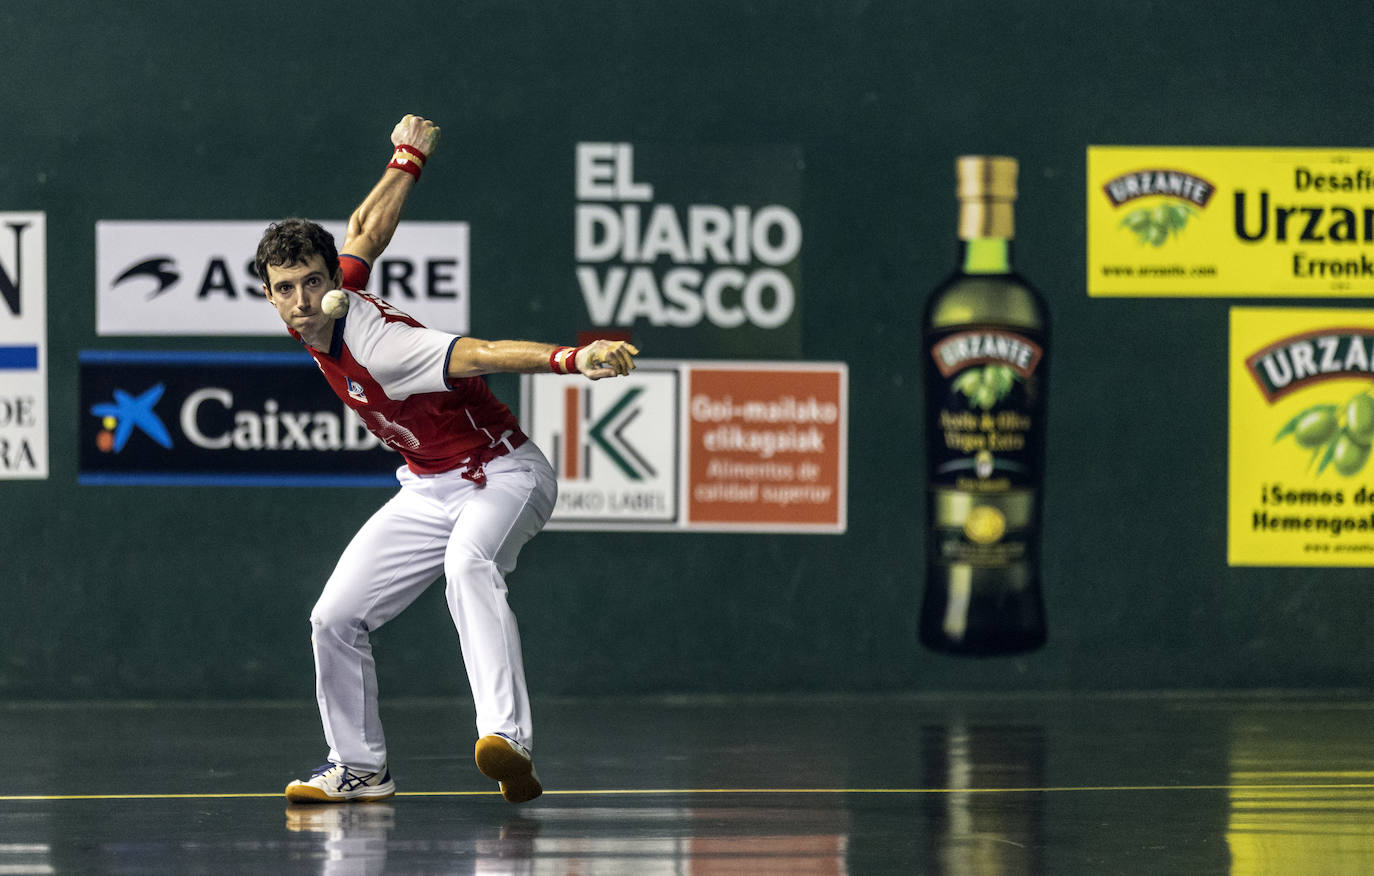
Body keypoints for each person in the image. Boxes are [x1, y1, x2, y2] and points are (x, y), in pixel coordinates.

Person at [255, 114, 638, 805]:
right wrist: (407, 157)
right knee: (333, 618)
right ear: (269, 293)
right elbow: (366, 230)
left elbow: (483, 354)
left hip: (503, 474)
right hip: (428, 487)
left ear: (326, 280)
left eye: (312, 283)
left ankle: (507, 740)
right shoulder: (321, 301)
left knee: (469, 565)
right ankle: (360, 768)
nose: (302, 302)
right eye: (285, 289)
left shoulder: (379, 345)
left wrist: (573, 359)